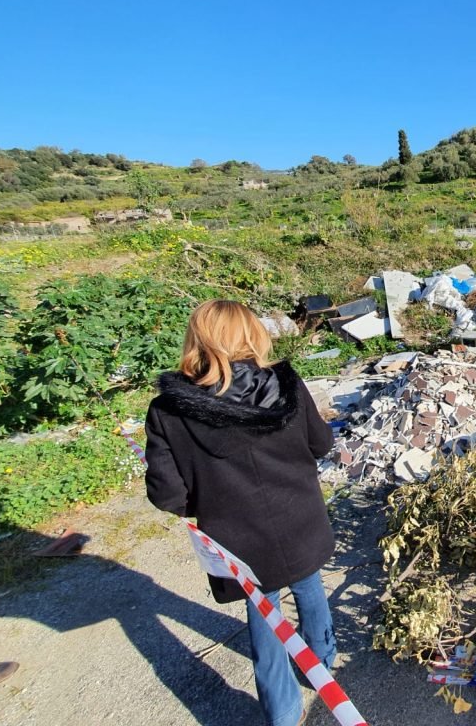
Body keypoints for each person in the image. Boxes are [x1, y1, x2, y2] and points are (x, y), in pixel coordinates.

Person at [144, 299, 336, 726]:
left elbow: (167, 494)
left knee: (263, 616)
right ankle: (321, 663)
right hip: (300, 518)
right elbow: (321, 444)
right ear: (253, 334)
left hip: (238, 537)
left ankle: (282, 713)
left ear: (198, 340)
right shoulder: (285, 387)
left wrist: (209, 500)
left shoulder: (169, 410)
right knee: (309, 586)